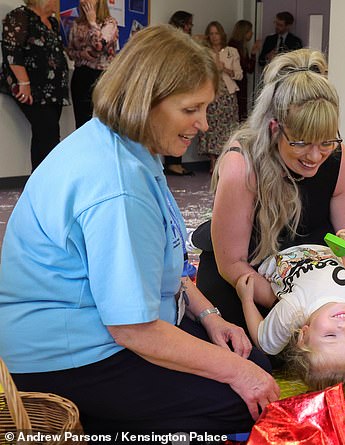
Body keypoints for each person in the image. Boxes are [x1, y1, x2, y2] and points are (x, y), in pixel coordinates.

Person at [0, 25, 279, 434]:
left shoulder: (126, 146)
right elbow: (132, 327)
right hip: (65, 357)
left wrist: (210, 316)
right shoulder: (118, 187)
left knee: (254, 363)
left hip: (111, 329)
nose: (203, 124)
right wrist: (236, 374)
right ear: (146, 101)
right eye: (190, 110)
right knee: (243, 399)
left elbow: (163, 268)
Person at [192, 48, 345, 338]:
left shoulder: (341, 159)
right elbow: (232, 264)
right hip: (245, 282)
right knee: (262, 350)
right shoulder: (241, 165)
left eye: (325, 142)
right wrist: (291, 306)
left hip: (310, 278)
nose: (315, 155)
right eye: (302, 142)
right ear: (274, 129)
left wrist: (336, 293)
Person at [236, 229, 345, 390]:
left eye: (330, 335)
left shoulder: (293, 310)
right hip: (321, 240)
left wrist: (246, 300)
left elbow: (263, 342)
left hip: (273, 247)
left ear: (304, 334)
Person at [1, 0, 69, 172]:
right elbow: (11, 51)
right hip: (33, 89)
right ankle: (45, 183)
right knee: (48, 135)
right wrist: (24, 83)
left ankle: (40, 182)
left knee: (45, 136)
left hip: (53, 90)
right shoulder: (20, 16)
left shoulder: (52, 22)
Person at [197, 21, 242, 172]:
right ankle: (213, 162)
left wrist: (225, 69)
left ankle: (225, 160)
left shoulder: (231, 51)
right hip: (212, 94)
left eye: (217, 33)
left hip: (228, 94)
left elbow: (239, 75)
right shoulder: (204, 51)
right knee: (211, 127)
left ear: (222, 34)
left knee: (228, 128)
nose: (214, 36)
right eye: (211, 33)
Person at [67, 0, 118, 129]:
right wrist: (82, 54)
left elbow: (99, 46)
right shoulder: (76, 24)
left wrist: (92, 22)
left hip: (101, 76)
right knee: (82, 122)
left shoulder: (109, 23)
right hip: (81, 74)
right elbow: (71, 52)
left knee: (103, 122)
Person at [163, 10, 195, 176]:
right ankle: (172, 163)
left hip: (182, 86)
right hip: (174, 87)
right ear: (182, 24)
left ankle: (175, 162)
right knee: (174, 124)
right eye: (189, 24)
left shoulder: (179, 41)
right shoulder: (173, 41)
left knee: (181, 125)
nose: (191, 27)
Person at [228, 19, 261, 121]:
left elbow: (249, 69)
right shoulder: (233, 47)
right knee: (239, 110)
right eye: (250, 31)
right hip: (235, 83)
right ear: (244, 32)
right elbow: (245, 68)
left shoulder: (242, 47)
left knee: (241, 109)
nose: (252, 34)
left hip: (241, 83)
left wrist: (253, 54)